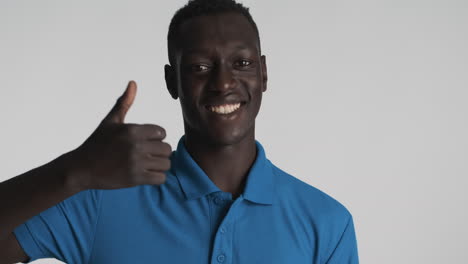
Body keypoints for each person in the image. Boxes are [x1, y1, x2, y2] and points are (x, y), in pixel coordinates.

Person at [0, 0, 359, 263]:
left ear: (263, 74)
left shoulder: (325, 223)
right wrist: (74, 171)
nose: (223, 83)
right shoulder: (101, 198)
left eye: (242, 63)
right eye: (200, 67)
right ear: (173, 81)